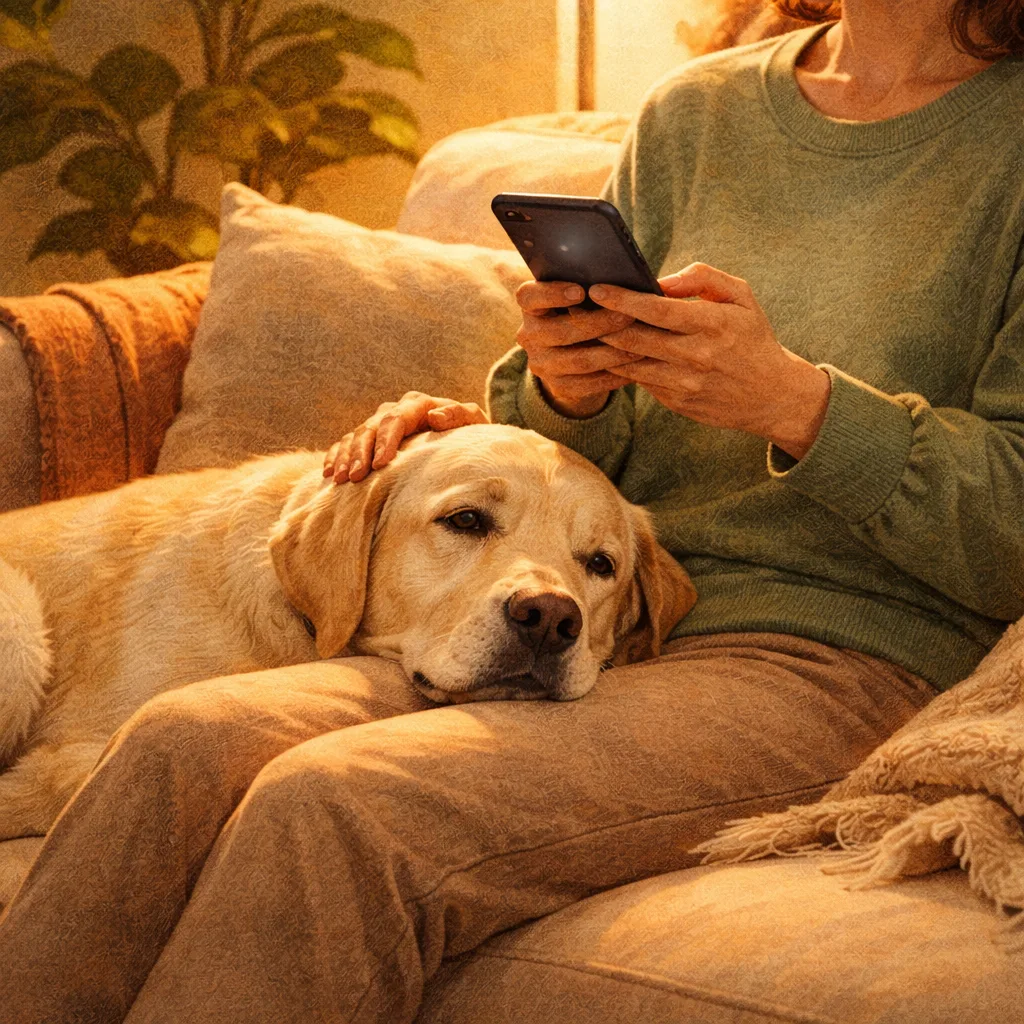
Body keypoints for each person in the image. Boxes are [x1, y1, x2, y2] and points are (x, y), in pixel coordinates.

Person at [2, 1, 1023, 1021]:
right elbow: (583, 465)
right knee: (181, 740)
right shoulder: (698, 114)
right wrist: (563, 392)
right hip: (608, 610)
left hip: (825, 662)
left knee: (338, 810)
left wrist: (798, 405)